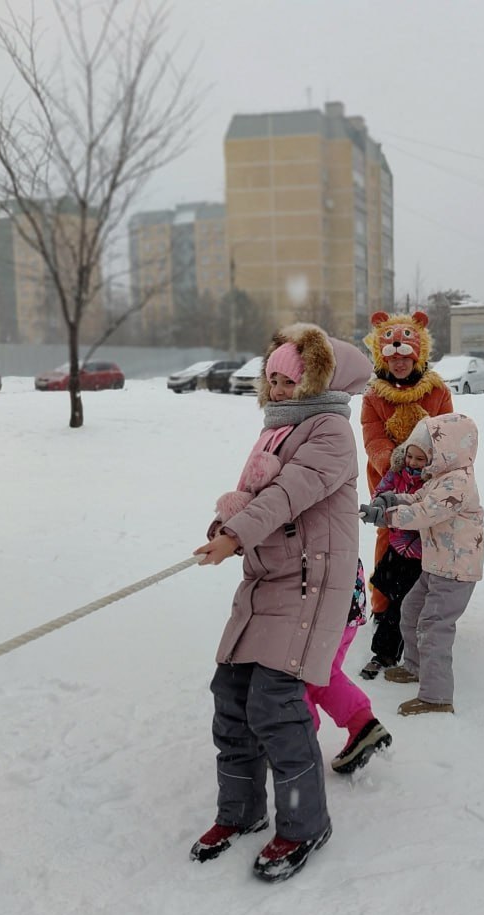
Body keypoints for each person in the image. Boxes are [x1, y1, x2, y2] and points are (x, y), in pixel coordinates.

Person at [190, 322, 371, 883]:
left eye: (291, 379)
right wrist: (228, 522)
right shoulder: (274, 431)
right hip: (265, 579)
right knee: (233, 696)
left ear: (318, 380)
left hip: (311, 585)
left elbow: (289, 494)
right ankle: (241, 812)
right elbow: (254, 492)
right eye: (273, 379)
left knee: (276, 703)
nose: (280, 388)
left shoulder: (332, 432)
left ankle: (303, 823)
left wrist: (236, 534)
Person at [360, 412, 484, 716]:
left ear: (447, 450)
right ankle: (415, 667)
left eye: (429, 451)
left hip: (455, 570)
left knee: (434, 628)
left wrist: (387, 517)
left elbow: (426, 514)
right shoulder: (440, 477)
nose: (424, 459)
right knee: (411, 611)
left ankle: (437, 696)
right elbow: (417, 499)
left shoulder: (458, 482)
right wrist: (391, 501)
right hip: (436, 564)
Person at [360, 310, 453, 649]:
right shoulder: (373, 396)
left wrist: (426, 468)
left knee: (430, 538)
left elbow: (447, 431)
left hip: (431, 481)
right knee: (389, 537)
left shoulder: (438, 391)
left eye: (407, 356)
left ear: (418, 354)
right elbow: (373, 437)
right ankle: (384, 609)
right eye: (393, 357)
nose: (400, 363)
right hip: (388, 482)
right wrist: (396, 465)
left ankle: (427, 607)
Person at [304, 559, 393, 774]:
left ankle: (295, 736)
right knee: (320, 673)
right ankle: (362, 724)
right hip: (345, 597)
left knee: (296, 672)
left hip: (319, 601)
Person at [359, 440, 428, 679]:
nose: (413, 463)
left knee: (401, 604)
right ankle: (407, 632)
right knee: (385, 586)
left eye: (420, 459)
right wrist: (378, 503)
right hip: (397, 546)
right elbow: (383, 489)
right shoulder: (397, 471)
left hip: (420, 554)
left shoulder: (433, 481)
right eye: (410, 457)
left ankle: (385, 654)